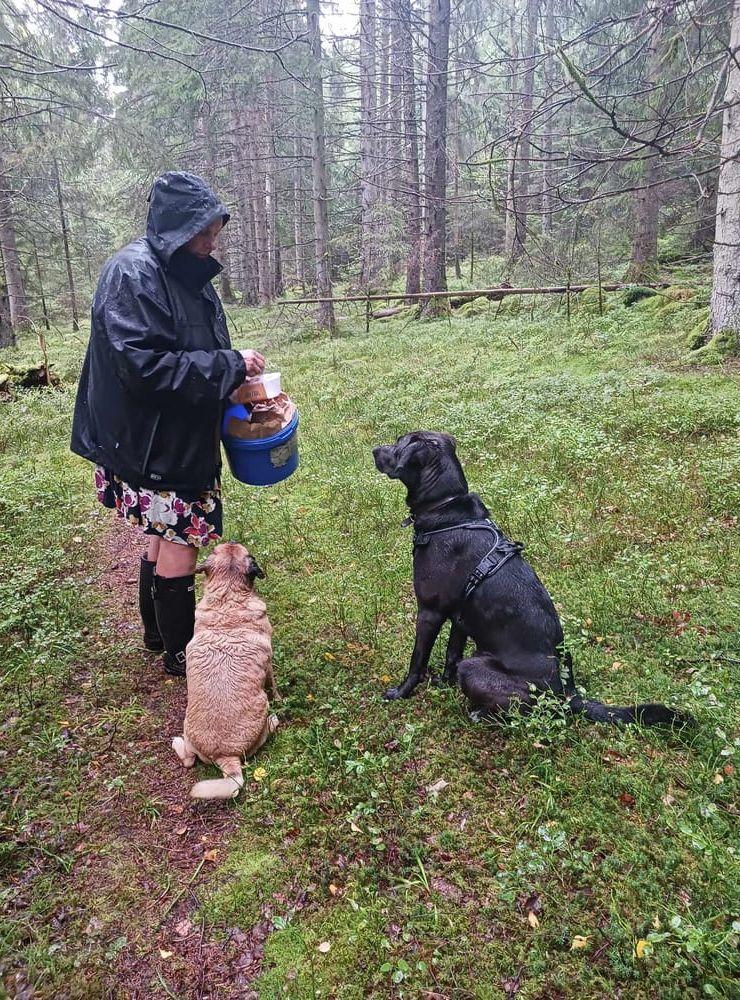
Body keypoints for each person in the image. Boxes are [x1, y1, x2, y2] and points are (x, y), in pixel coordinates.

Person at [71, 171, 264, 676]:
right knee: (181, 535)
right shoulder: (133, 275)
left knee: (161, 532)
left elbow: (190, 348)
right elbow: (145, 368)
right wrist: (229, 366)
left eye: (214, 230)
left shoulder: (183, 270)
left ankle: (158, 635)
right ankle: (184, 656)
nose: (210, 241)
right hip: (154, 439)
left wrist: (231, 377)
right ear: (173, 227)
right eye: (202, 231)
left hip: (168, 431)